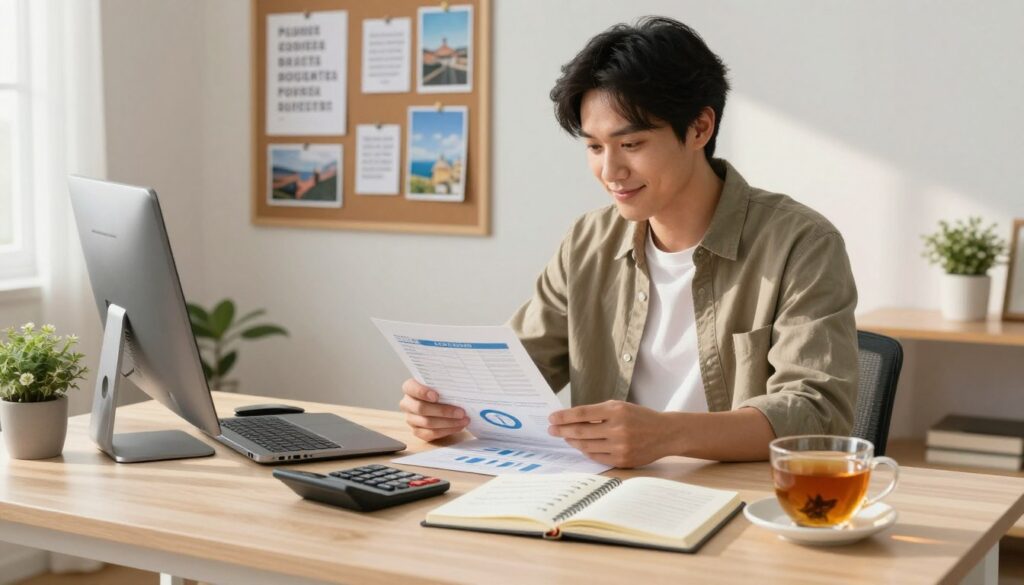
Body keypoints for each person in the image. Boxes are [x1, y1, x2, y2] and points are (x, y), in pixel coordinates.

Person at [399, 16, 858, 467]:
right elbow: (515, 370)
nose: (610, 171)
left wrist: (669, 434)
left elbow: (819, 413)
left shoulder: (801, 242)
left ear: (700, 128)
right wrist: (445, 405)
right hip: (602, 496)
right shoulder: (587, 241)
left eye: (631, 144)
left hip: (740, 500)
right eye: (594, 147)